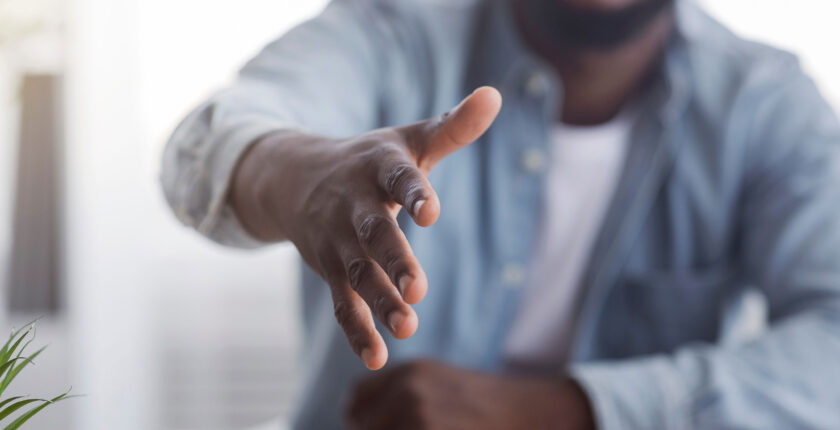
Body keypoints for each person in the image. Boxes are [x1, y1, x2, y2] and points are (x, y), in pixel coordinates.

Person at [161, 0, 840, 428]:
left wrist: (567, 409)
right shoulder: (392, 29)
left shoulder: (765, 105)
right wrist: (299, 173)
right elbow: (208, 143)